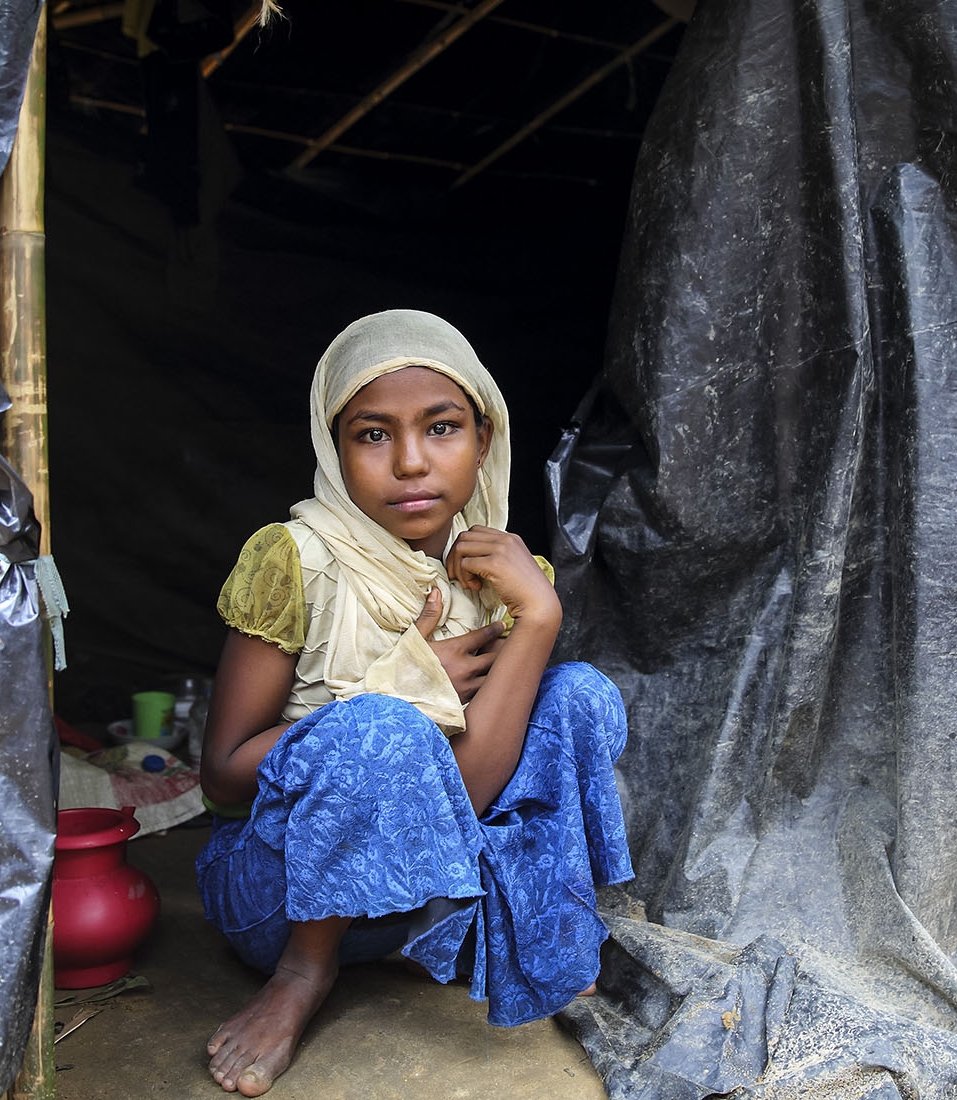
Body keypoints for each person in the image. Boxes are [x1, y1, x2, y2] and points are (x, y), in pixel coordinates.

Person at [194, 309, 632, 1097]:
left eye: (441, 427)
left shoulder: (503, 571)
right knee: (380, 727)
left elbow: (468, 795)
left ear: (485, 440)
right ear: (334, 446)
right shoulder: (296, 559)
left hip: (416, 897)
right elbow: (223, 779)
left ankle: (539, 930)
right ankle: (304, 975)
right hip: (278, 896)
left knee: (577, 697)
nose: (409, 462)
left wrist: (540, 619)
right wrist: (396, 687)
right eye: (371, 434)